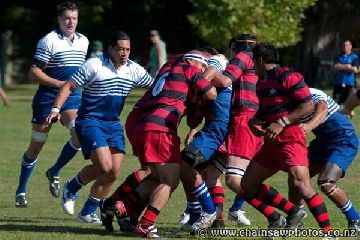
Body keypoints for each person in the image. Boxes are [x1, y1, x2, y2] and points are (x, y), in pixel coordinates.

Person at [46, 31, 153, 223]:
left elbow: (154, 88)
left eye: (128, 49)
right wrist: (56, 109)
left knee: (114, 172)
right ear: (110, 49)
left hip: (113, 123)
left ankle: (87, 211)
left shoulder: (133, 69)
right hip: (89, 120)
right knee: (104, 166)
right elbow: (68, 87)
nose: (125, 53)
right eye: (120, 49)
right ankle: (71, 187)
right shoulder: (94, 64)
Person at [244, 42, 335, 239]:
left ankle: (329, 233)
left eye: (253, 61)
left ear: (260, 60)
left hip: (290, 139)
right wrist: (255, 121)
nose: (252, 65)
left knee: (301, 184)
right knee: (248, 184)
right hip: (271, 142)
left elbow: (308, 105)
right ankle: (292, 212)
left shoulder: (289, 76)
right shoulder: (261, 83)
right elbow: (266, 110)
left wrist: (282, 122)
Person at [15, 2, 89, 207]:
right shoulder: (49, 41)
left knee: (79, 135)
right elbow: (33, 73)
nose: (70, 22)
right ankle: (21, 191)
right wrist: (58, 84)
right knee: (36, 146)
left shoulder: (83, 41)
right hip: (46, 99)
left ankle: (54, 170)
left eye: (74, 18)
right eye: (66, 18)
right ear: (59, 19)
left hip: (72, 99)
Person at [289, 88, 360, 232]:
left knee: (326, 182)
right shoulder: (285, 101)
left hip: (343, 141)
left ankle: (355, 220)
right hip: (322, 142)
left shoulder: (310, 94)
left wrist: (309, 125)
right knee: (296, 177)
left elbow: (323, 108)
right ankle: (297, 217)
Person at [333, 40, 359, 104]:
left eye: (347, 45)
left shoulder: (354, 57)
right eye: (344, 45)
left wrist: (341, 66)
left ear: (350, 46)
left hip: (349, 84)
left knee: (347, 104)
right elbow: (335, 67)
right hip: (339, 83)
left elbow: (354, 69)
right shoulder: (338, 56)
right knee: (335, 103)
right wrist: (347, 66)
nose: (345, 47)